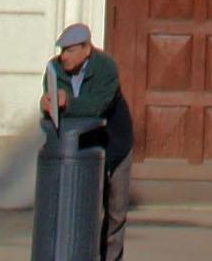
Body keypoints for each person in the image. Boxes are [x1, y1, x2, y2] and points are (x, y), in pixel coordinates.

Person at [39, 20, 135, 261]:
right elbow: (54, 106)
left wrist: (66, 103)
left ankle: (111, 258)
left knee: (115, 210)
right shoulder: (54, 69)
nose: (64, 57)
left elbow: (97, 107)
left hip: (114, 143)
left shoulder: (106, 68)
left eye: (70, 51)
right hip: (78, 149)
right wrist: (47, 105)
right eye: (63, 51)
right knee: (85, 208)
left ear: (87, 49)